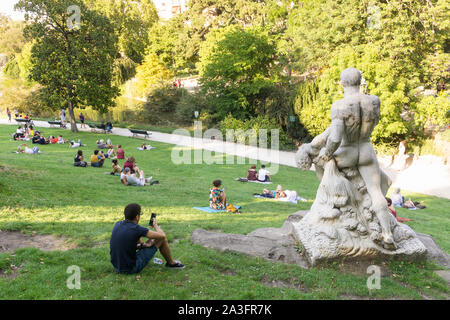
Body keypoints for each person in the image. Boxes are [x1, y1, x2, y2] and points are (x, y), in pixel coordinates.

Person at [110, 203, 185, 274]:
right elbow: (162, 235)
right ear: (137, 216)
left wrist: (144, 245)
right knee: (161, 239)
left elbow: (130, 245)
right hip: (130, 269)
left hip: (117, 266)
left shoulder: (118, 224)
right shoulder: (137, 229)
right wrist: (155, 225)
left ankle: (170, 262)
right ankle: (171, 263)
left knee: (150, 241)